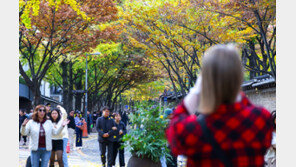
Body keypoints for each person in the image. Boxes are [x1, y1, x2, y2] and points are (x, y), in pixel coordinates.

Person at [166, 44, 273, 167]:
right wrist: (234, 89)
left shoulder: (192, 130)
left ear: (205, 81)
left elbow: (173, 132)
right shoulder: (260, 119)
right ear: (239, 76)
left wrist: (196, 91)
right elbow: (265, 145)